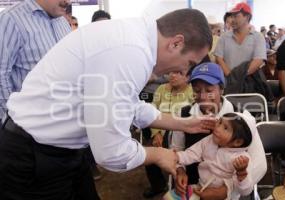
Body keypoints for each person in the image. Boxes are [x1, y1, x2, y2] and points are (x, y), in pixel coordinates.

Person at [0, 9, 214, 199]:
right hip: (33, 159)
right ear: (176, 43)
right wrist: (158, 154)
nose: (184, 72)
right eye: (189, 63)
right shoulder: (132, 52)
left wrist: (184, 124)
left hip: (61, 152)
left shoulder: (134, 39)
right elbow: (111, 152)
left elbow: (130, 106)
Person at [173, 62, 267, 200]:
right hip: (194, 186)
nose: (203, 97)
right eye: (197, 91)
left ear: (222, 89)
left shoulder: (241, 117)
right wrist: (180, 171)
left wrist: (227, 190)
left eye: (209, 90)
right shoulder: (184, 114)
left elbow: (260, 163)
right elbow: (177, 149)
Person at [0, 0, 71, 122]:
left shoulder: (62, 22)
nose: (67, 2)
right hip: (25, 130)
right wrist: (12, 121)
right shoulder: (10, 19)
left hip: (62, 124)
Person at [166, 110, 256, 200]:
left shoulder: (242, 159)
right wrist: (176, 157)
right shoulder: (209, 140)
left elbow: (246, 191)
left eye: (225, 128)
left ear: (237, 142)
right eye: (219, 122)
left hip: (226, 197)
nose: (217, 128)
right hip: (200, 187)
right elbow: (192, 153)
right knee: (169, 197)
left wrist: (242, 173)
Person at [143, 70, 194, 198]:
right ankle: (159, 186)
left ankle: (184, 186)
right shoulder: (161, 89)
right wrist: (156, 133)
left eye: (179, 73)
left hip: (182, 135)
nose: (173, 75)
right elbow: (152, 112)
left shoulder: (192, 92)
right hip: (161, 132)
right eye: (171, 72)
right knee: (147, 155)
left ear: (187, 78)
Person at [214, 2, 266, 76]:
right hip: (227, 82)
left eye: (236, 16)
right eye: (232, 16)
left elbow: (258, 60)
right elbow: (219, 59)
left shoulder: (258, 37)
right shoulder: (224, 37)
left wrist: (239, 77)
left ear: (247, 17)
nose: (233, 20)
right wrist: (230, 76)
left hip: (249, 83)